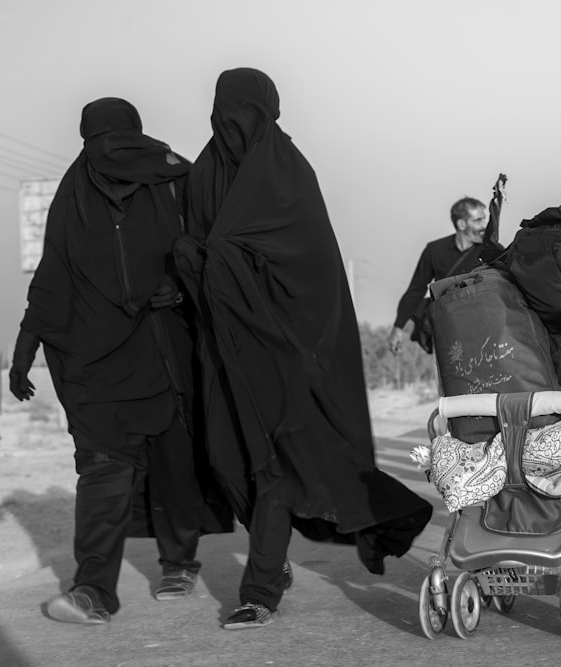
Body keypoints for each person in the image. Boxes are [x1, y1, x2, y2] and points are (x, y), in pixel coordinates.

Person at [173, 68, 433, 630]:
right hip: (220, 348)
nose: (231, 123)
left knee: (274, 468)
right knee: (224, 460)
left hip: (284, 350)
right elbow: (196, 250)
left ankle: (260, 588)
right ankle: (273, 559)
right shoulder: (203, 176)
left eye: (241, 110)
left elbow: (312, 271)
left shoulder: (289, 174)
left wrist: (218, 255)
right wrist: (193, 259)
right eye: (223, 109)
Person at [8, 98, 233, 625]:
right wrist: (25, 348)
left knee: (175, 463)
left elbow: (208, 249)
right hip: (93, 362)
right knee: (102, 472)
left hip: (163, 353)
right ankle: (92, 590)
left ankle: (179, 562)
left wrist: (180, 289)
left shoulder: (176, 179)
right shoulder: (74, 193)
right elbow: (54, 273)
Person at [388, 179, 505, 355]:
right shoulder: (434, 251)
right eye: (478, 221)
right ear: (462, 224)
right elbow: (416, 290)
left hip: (484, 332)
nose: (484, 226)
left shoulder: (491, 250)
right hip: (447, 332)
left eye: (485, 220)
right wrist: (398, 328)